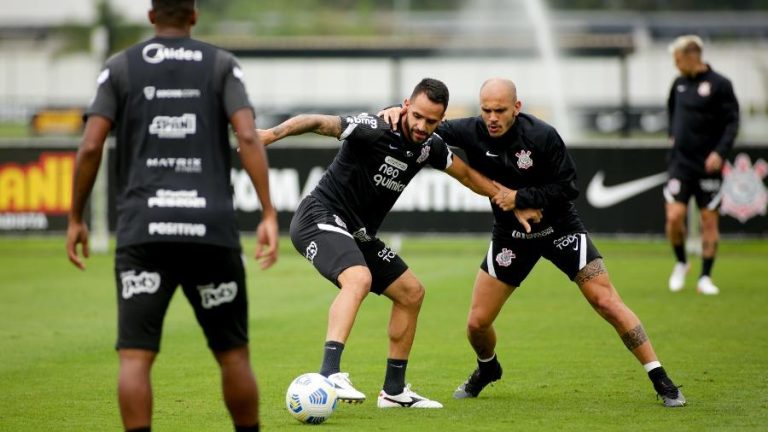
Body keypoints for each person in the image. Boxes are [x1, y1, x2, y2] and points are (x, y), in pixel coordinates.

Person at [380, 77, 686, 407]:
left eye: (500, 110)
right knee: (476, 324)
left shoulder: (542, 136)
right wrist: (396, 109)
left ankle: (661, 379)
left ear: (517, 107)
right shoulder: (469, 130)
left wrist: (521, 197)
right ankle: (488, 368)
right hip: (511, 237)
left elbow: (569, 187)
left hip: (560, 229)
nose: (492, 117)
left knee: (606, 301)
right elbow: (424, 124)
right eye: (486, 110)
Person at [256, 78, 538, 409]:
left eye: (431, 121)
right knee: (358, 278)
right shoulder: (374, 128)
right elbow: (319, 122)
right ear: (405, 105)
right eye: (416, 116)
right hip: (318, 217)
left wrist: (508, 197)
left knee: (411, 293)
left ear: (441, 120)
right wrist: (271, 135)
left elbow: (466, 175)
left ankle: (393, 390)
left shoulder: (429, 146)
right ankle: (329, 373)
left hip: (358, 232)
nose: (421, 126)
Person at [66, 1, 278, 430]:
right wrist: (268, 213)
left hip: (143, 234)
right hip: (210, 231)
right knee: (233, 354)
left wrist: (76, 217)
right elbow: (248, 137)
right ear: (194, 15)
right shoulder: (221, 65)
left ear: (151, 16)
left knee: (135, 356)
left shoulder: (120, 67)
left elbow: (89, 147)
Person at [664, 35, 739, 295]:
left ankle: (705, 277)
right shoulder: (678, 84)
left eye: (677, 59)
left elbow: (732, 123)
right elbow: (672, 114)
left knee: (709, 220)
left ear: (691, 55)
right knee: (674, 217)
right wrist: (673, 137)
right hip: (680, 165)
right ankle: (681, 262)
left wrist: (720, 152)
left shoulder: (720, 85)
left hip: (708, 166)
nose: (675, 65)